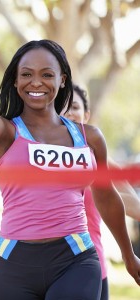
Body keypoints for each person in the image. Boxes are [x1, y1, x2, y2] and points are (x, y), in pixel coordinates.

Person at [0, 28, 140, 300]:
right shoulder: (6, 134)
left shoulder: (88, 137)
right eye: (26, 74)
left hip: (75, 259)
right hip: (14, 260)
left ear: (62, 80)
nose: (36, 82)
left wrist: (129, 257)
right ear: (15, 81)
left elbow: (106, 196)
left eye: (47, 74)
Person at [62, 83, 140, 300]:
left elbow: (132, 204)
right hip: (51, 269)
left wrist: (99, 186)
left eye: (74, 107)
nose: (69, 112)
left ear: (86, 115)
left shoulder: (97, 158)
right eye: (63, 107)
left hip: (92, 269)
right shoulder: (43, 156)